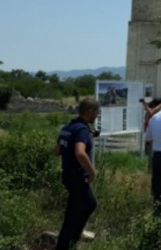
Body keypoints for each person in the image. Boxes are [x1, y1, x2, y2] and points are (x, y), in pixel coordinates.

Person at [54, 98, 100, 250]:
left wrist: (88, 137)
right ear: (90, 112)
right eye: (96, 113)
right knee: (84, 207)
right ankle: (68, 242)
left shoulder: (68, 127)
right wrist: (92, 172)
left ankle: (68, 240)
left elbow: (57, 151)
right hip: (78, 177)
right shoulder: (81, 129)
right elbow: (80, 153)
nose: (97, 116)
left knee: (78, 208)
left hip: (67, 175)